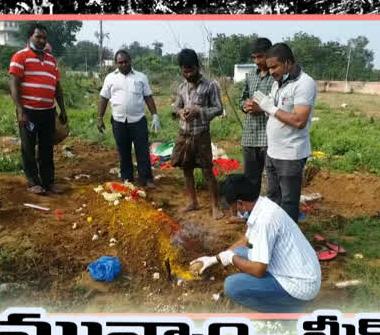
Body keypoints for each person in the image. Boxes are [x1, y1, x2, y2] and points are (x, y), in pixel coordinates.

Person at [190, 174, 321, 313]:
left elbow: (258, 270)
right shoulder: (262, 205)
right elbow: (245, 241)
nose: (232, 211)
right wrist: (215, 259)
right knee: (239, 252)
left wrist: (231, 259)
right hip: (300, 272)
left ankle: (286, 311)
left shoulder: (263, 222)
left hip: (299, 286)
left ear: (240, 203)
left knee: (232, 286)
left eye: (232, 207)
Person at [252, 43, 317, 222]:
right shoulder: (278, 83)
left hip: (291, 153)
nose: (271, 71)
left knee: (288, 201)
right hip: (273, 152)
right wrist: (262, 105)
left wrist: (270, 108)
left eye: (274, 67)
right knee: (273, 197)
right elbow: (276, 111)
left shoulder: (304, 83)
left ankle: (290, 240)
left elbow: (299, 121)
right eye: (269, 67)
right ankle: (275, 233)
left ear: (287, 63)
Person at [8, 23, 69, 195]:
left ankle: (49, 182)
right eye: (38, 37)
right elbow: (13, 84)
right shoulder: (20, 57)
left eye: (44, 38)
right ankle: (33, 182)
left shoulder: (51, 60)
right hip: (29, 112)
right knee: (28, 147)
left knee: (46, 147)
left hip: (48, 112)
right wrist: (20, 110)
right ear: (30, 37)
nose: (42, 40)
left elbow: (57, 86)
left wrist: (62, 109)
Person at [171, 48, 224, 220]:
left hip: (201, 135)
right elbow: (175, 107)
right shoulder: (181, 87)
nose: (188, 74)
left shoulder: (210, 86)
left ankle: (215, 206)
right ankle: (192, 201)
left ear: (198, 67)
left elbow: (218, 108)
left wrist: (199, 110)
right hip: (184, 134)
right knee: (186, 168)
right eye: (184, 71)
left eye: (191, 70)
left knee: (207, 170)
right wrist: (180, 112)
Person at [97, 50, 161, 188]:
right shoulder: (110, 78)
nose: (123, 64)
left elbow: (148, 97)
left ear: (130, 61)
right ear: (116, 63)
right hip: (119, 122)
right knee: (123, 151)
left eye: (126, 61)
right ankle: (127, 178)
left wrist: (154, 114)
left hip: (138, 120)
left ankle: (146, 178)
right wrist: (99, 117)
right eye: (120, 62)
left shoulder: (141, 77)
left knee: (142, 150)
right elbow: (103, 98)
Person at [229, 37, 274, 223]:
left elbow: (278, 106)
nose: (257, 61)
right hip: (250, 135)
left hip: (268, 136)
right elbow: (242, 98)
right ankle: (251, 214)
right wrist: (244, 106)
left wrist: (261, 108)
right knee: (250, 179)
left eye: (260, 57)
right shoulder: (251, 76)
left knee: (272, 180)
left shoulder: (276, 77)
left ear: (269, 55)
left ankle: (270, 216)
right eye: (254, 57)